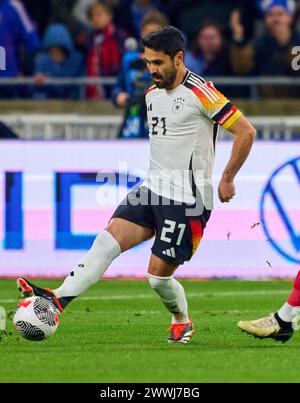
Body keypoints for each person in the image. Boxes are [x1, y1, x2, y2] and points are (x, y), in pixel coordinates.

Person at [17, 26, 256, 344]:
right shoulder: (151, 95)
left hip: (189, 201)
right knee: (106, 241)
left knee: (157, 279)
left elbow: (246, 132)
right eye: (147, 62)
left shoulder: (203, 92)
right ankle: (57, 300)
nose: (151, 70)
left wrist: (227, 177)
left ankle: (181, 320)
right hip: (151, 189)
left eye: (158, 63)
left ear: (178, 58)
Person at [112, 10, 168, 138]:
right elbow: (117, 87)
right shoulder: (129, 59)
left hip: (160, 121)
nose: (151, 38)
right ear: (141, 33)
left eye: (156, 34)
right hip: (133, 118)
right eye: (148, 33)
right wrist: (118, 96)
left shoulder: (171, 61)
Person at [230, 0, 300, 97]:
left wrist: (285, 44)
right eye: (270, 15)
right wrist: (238, 40)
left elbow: (297, 68)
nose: (275, 19)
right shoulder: (259, 42)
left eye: (280, 14)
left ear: (290, 18)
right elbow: (241, 68)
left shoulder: (297, 41)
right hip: (265, 103)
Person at [86, 0, 127, 100]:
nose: (95, 18)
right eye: (92, 16)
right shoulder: (91, 38)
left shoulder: (119, 35)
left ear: (109, 16)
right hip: (95, 89)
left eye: (98, 14)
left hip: (115, 85)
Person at [33, 23, 85, 100]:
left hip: (72, 106)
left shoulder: (77, 60)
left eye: (59, 51)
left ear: (65, 50)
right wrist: (38, 83)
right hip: (48, 105)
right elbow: (33, 89)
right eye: (52, 52)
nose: (55, 56)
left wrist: (73, 97)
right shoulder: (42, 61)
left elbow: (80, 85)